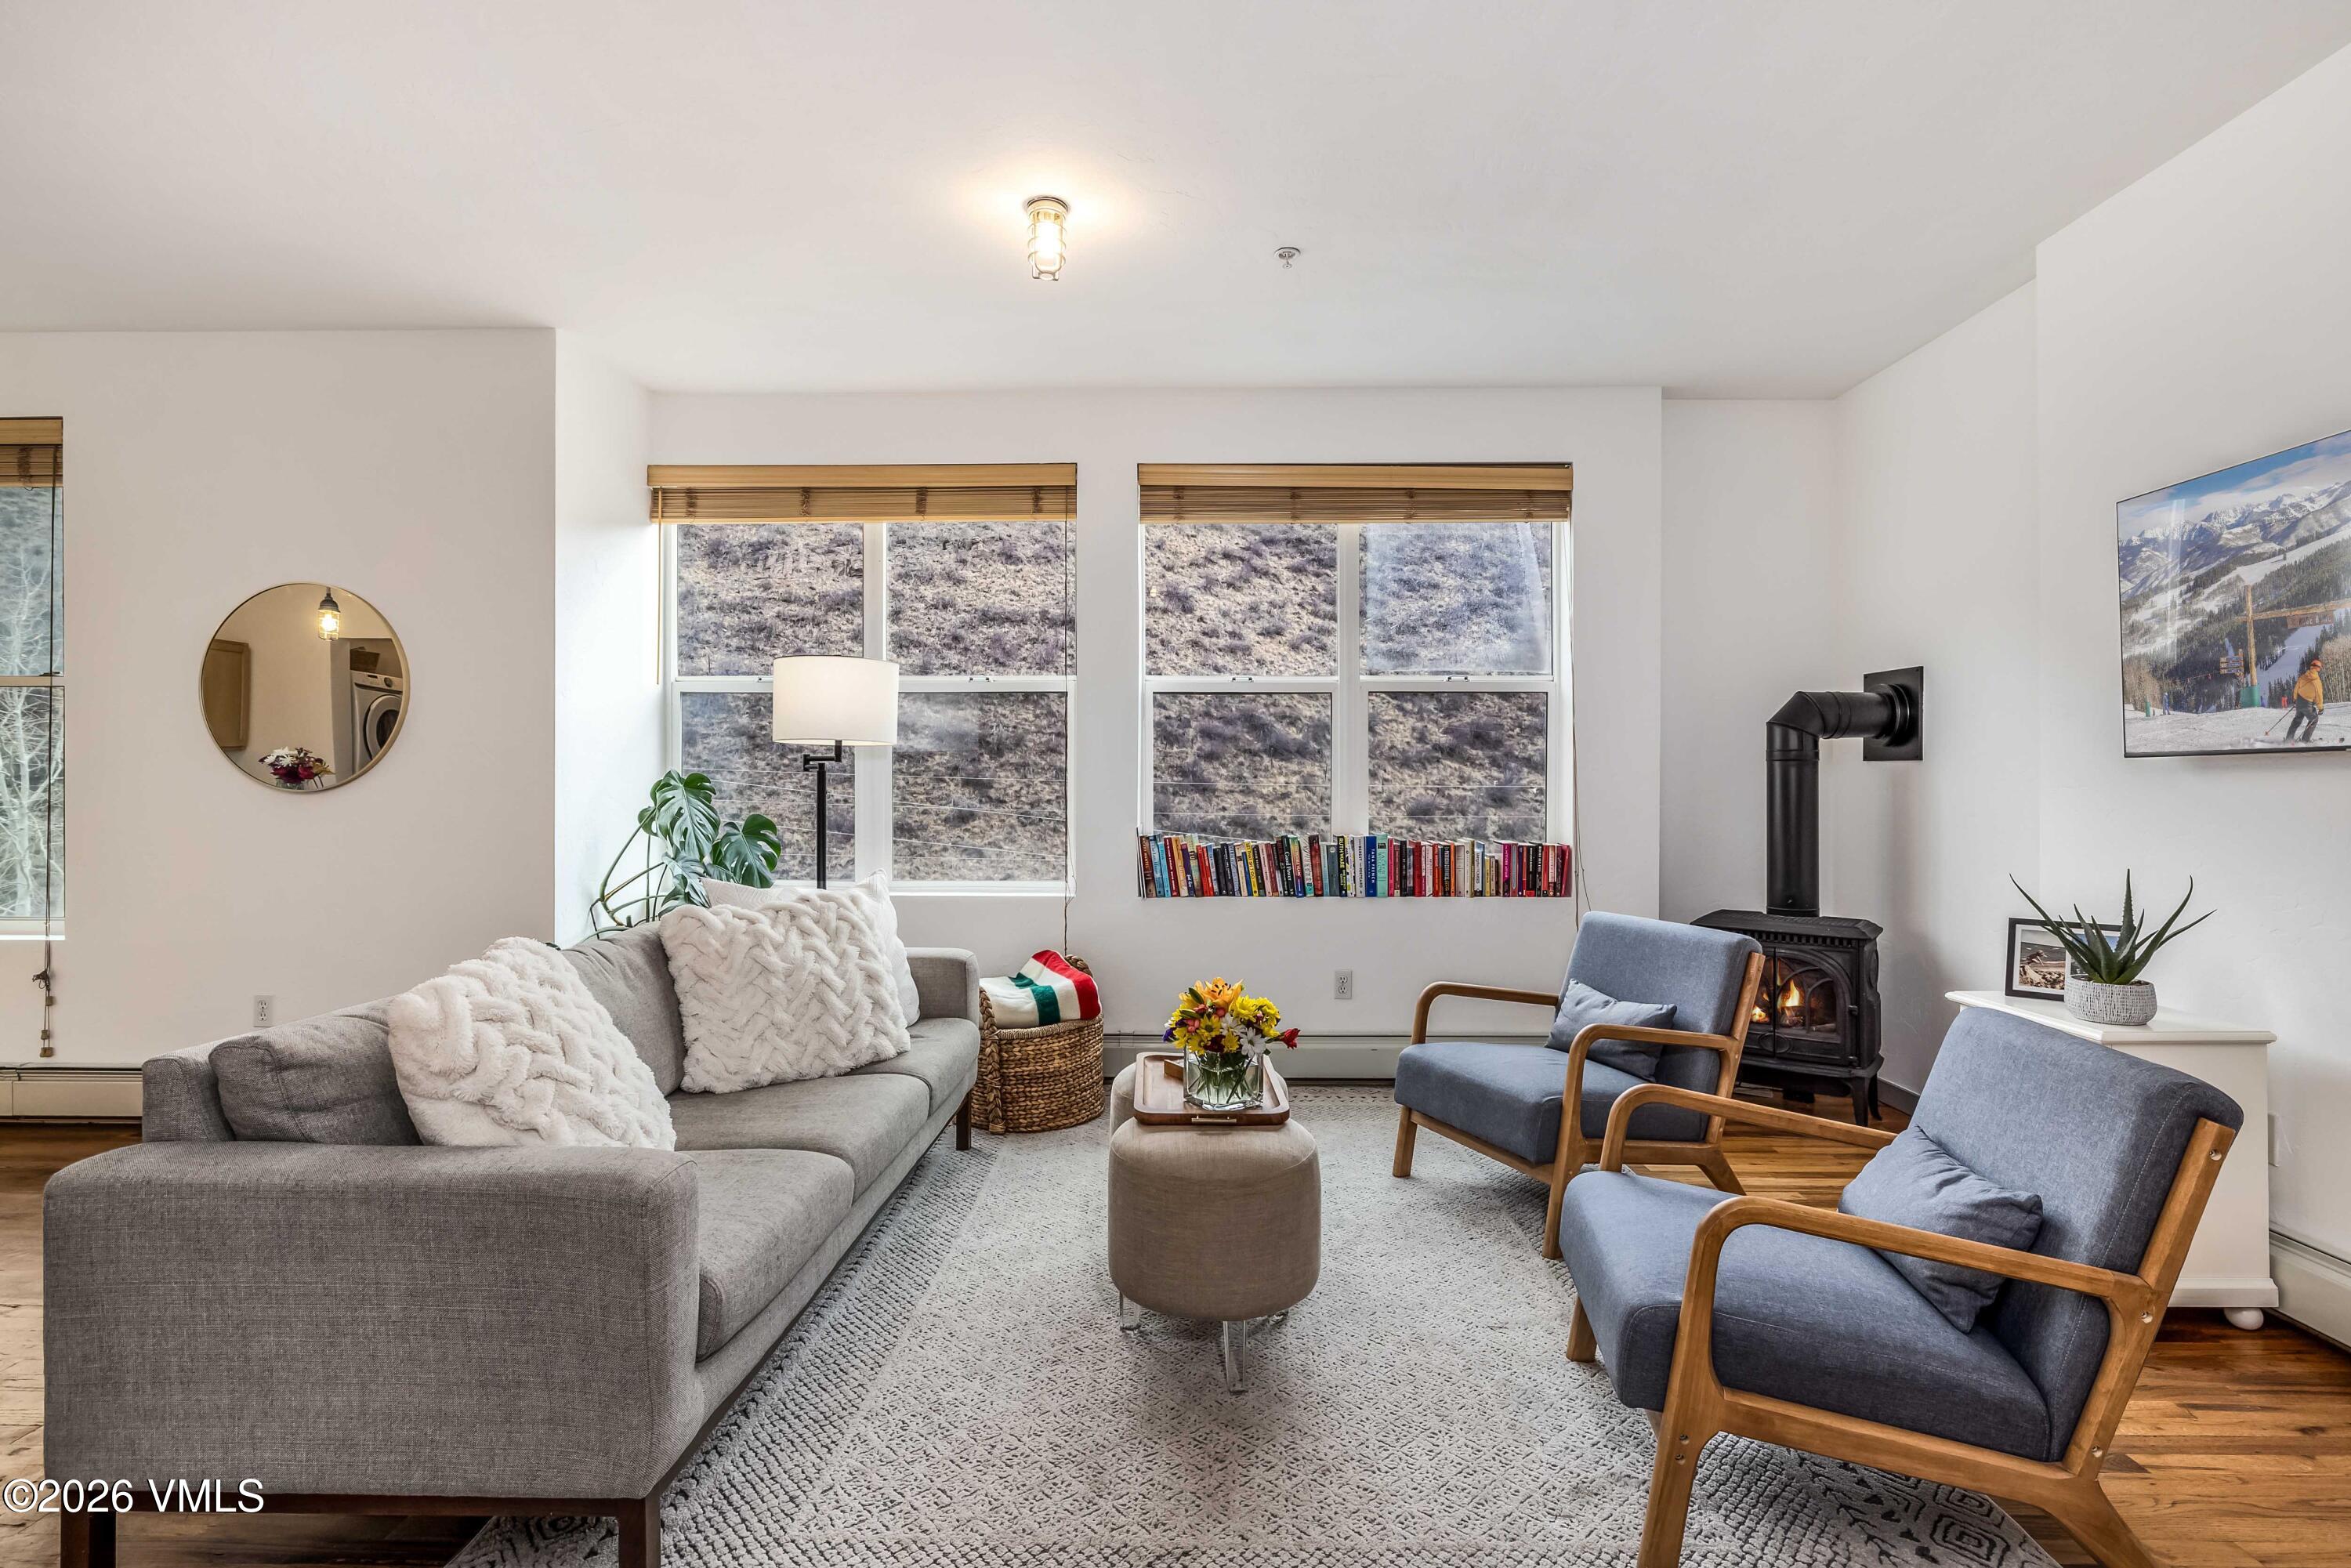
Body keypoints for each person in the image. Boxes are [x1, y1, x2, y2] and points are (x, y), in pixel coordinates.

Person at [2286, 652, 2325, 742]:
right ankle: (2305, 740)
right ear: (2318, 669)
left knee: (2297, 720)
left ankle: (2288, 739)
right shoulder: (2317, 681)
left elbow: (2296, 689)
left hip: (2299, 702)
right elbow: (2319, 696)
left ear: (2311, 667)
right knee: (2314, 719)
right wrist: (2321, 708)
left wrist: (2295, 699)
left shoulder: (2303, 677)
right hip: (2308, 704)